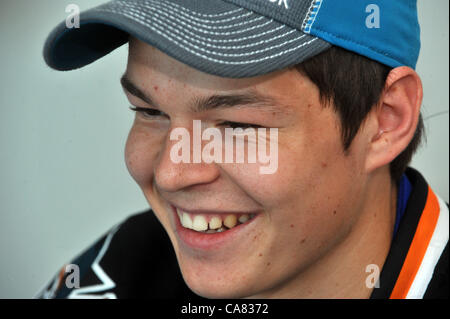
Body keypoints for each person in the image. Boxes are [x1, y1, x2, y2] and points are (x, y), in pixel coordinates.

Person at [36, 0, 448, 299]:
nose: (170, 173)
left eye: (236, 125)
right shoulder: (120, 269)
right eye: (149, 111)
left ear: (386, 120)